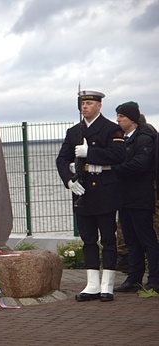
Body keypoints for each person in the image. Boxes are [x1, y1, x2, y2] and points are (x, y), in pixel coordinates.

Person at [56, 90, 126, 302]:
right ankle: (92, 283)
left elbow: (119, 155)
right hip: (82, 189)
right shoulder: (74, 131)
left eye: (88, 103)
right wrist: (69, 180)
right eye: (82, 103)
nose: (84, 107)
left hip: (104, 188)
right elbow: (61, 159)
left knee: (107, 238)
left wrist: (91, 153)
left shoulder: (111, 128)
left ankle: (107, 284)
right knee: (88, 239)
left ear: (99, 106)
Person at [112, 102, 159, 293]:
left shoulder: (144, 139)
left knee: (147, 239)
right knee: (131, 240)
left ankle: (154, 279)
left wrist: (113, 169)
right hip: (124, 197)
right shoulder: (121, 139)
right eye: (118, 116)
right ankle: (134, 278)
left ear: (131, 119)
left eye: (121, 116)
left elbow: (140, 164)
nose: (118, 120)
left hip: (141, 197)